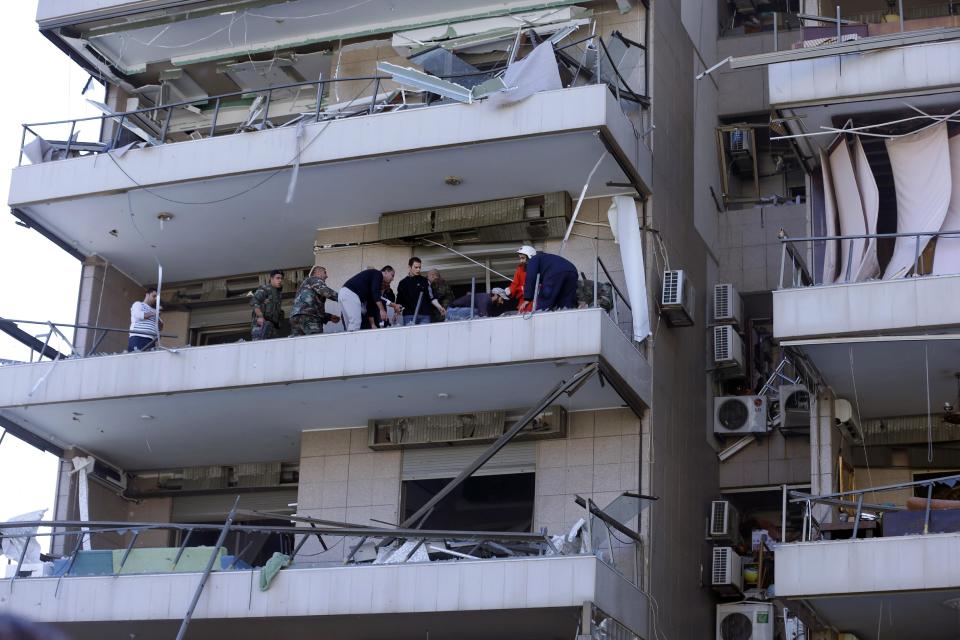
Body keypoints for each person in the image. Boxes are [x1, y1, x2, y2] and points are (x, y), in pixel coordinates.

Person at [339, 266, 395, 331]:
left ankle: (349, 340)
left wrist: (372, 324)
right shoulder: (378, 274)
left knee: (350, 324)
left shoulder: (371, 282)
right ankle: (353, 341)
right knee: (356, 322)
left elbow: (371, 303)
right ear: (386, 272)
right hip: (350, 294)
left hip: (344, 293)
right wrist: (382, 310)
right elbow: (375, 292)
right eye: (392, 275)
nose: (393, 279)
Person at [290, 266, 340, 336]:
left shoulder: (304, 286)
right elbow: (325, 291)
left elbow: (309, 306)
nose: (326, 276)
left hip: (295, 318)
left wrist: (329, 317)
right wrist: (343, 298)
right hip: (309, 317)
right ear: (317, 272)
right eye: (325, 272)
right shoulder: (314, 279)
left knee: (299, 344)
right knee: (315, 341)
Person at [396, 257, 445, 325]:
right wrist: (396, 313)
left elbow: (431, 297)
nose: (418, 269)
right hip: (409, 315)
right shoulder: (403, 283)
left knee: (424, 335)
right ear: (409, 267)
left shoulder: (424, 281)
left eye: (419, 267)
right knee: (411, 335)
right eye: (416, 267)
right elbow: (399, 302)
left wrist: (439, 307)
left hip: (424, 315)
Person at [250, 269, 285, 340]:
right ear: (271, 279)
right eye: (277, 278)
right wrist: (260, 317)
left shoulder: (278, 294)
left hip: (271, 326)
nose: (280, 280)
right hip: (261, 324)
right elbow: (254, 302)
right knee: (260, 345)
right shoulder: (265, 289)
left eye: (281, 278)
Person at [128, 287, 162, 352]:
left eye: (156, 298)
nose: (155, 299)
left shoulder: (154, 311)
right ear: (147, 295)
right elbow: (139, 315)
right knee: (136, 357)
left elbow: (160, 327)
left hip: (151, 340)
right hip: (138, 336)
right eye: (154, 296)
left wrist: (157, 316)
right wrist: (155, 312)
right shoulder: (138, 304)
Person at [506, 246, 534, 313]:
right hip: (523, 300)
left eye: (523, 258)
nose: (521, 261)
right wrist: (510, 290)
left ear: (530, 257)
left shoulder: (538, 269)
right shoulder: (520, 269)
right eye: (520, 258)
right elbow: (515, 283)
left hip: (536, 299)